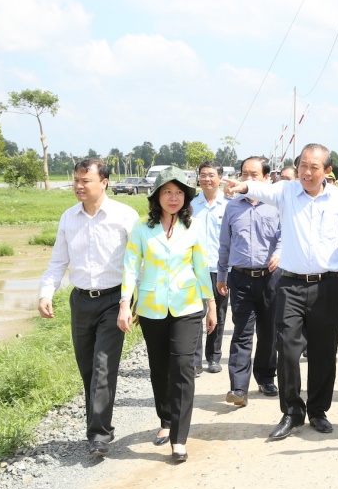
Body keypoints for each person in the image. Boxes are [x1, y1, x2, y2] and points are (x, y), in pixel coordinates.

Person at [222, 143, 338, 440]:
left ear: (327, 171)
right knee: (286, 350)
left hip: (327, 285)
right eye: (302, 166)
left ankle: (318, 411)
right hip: (291, 285)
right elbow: (258, 189)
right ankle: (291, 412)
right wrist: (241, 185)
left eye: (314, 167)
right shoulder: (286, 191)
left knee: (324, 352)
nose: (307, 172)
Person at [38, 159, 139, 457]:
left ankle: (99, 435)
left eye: (86, 181)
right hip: (81, 301)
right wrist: (46, 292)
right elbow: (58, 261)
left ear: (104, 182)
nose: (79, 186)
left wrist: (134, 302)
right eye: (76, 181)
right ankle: (98, 424)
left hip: (114, 299)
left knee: (103, 366)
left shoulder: (125, 216)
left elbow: (137, 263)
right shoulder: (69, 218)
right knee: (87, 369)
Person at [119, 167, 217, 462]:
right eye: (167, 192)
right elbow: (131, 265)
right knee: (160, 369)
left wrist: (210, 304)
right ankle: (165, 419)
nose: (173, 198)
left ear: (185, 197)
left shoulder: (193, 227)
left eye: (178, 193)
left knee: (184, 368)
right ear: (156, 196)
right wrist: (126, 302)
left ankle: (179, 437)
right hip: (151, 308)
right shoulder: (141, 228)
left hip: (187, 306)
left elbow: (201, 267)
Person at [217, 156, 282, 406]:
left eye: (254, 175)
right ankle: (238, 387)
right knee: (242, 333)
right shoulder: (233, 207)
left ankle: (266, 377)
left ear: (267, 178)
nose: (248, 179)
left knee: (269, 333)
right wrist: (222, 275)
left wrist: (280, 253)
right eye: (245, 174)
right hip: (240, 278)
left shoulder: (276, 206)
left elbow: (285, 237)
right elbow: (225, 244)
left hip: (271, 278)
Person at [192, 161, 229, 374]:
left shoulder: (229, 205)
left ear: (220, 178)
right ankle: (195, 361)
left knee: (219, 313)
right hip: (195, 269)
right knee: (196, 313)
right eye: (203, 175)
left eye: (211, 175)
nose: (207, 179)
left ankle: (213, 357)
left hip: (220, 269)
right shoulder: (191, 205)